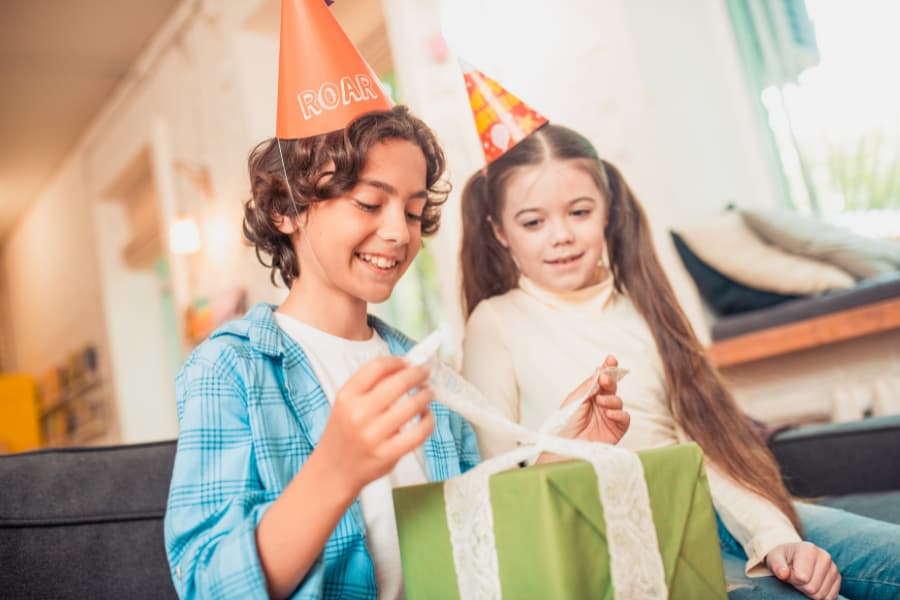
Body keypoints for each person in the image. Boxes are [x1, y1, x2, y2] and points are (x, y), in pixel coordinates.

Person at [164, 5, 628, 598]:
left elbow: (478, 535)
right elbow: (206, 584)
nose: (398, 233)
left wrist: (564, 453)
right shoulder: (230, 369)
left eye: (412, 211)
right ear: (285, 210)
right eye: (368, 203)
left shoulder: (423, 371)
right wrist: (334, 470)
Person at [459, 115, 900, 600]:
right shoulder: (494, 322)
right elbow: (495, 489)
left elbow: (711, 450)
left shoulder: (646, 307)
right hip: (619, 540)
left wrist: (777, 539)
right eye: (533, 222)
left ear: (607, 211)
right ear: (498, 230)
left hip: (710, 506)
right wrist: (565, 447)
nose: (560, 235)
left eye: (579, 212)